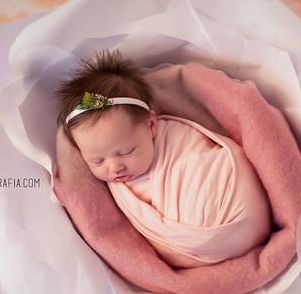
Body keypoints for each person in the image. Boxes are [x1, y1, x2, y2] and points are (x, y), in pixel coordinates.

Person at [54, 50, 271, 268]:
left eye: (127, 151)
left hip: (238, 201)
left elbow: (208, 159)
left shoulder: (177, 137)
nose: (114, 167)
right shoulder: (115, 179)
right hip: (211, 239)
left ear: (151, 125)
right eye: (97, 161)